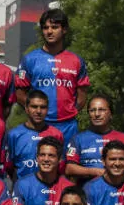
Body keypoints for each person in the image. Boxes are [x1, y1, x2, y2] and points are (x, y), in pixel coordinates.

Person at [15, 8, 89, 144]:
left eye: (54, 27)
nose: (49, 31)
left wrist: (70, 112)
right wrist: (37, 112)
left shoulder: (76, 61)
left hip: (68, 127)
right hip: (39, 127)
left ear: (64, 29)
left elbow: (82, 95)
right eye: (45, 28)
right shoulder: (30, 59)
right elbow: (20, 94)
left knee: (67, 164)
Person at [66, 94, 124, 183]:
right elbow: (69, 168)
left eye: (102, 110)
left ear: (111, 114)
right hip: (87, 191)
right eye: (92, 110)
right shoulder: (78, 138)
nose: (97, 114)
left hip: (117, 191)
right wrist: (95, 172)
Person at [11, 137, 77, 205]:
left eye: (51, 156)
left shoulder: (69, 187)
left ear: (60, 159)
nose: (46, 159)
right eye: (42, 155)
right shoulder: (22, 185)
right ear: (37, 158)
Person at [3, 90, 64, 181]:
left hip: (49, 189)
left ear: (47, 110)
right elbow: (9, 166)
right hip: (22, 188)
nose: (38, 111)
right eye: (34, 107)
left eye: (42, 107)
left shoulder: (56, 134)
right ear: (26, 109)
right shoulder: (14, 135)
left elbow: (61, 166)